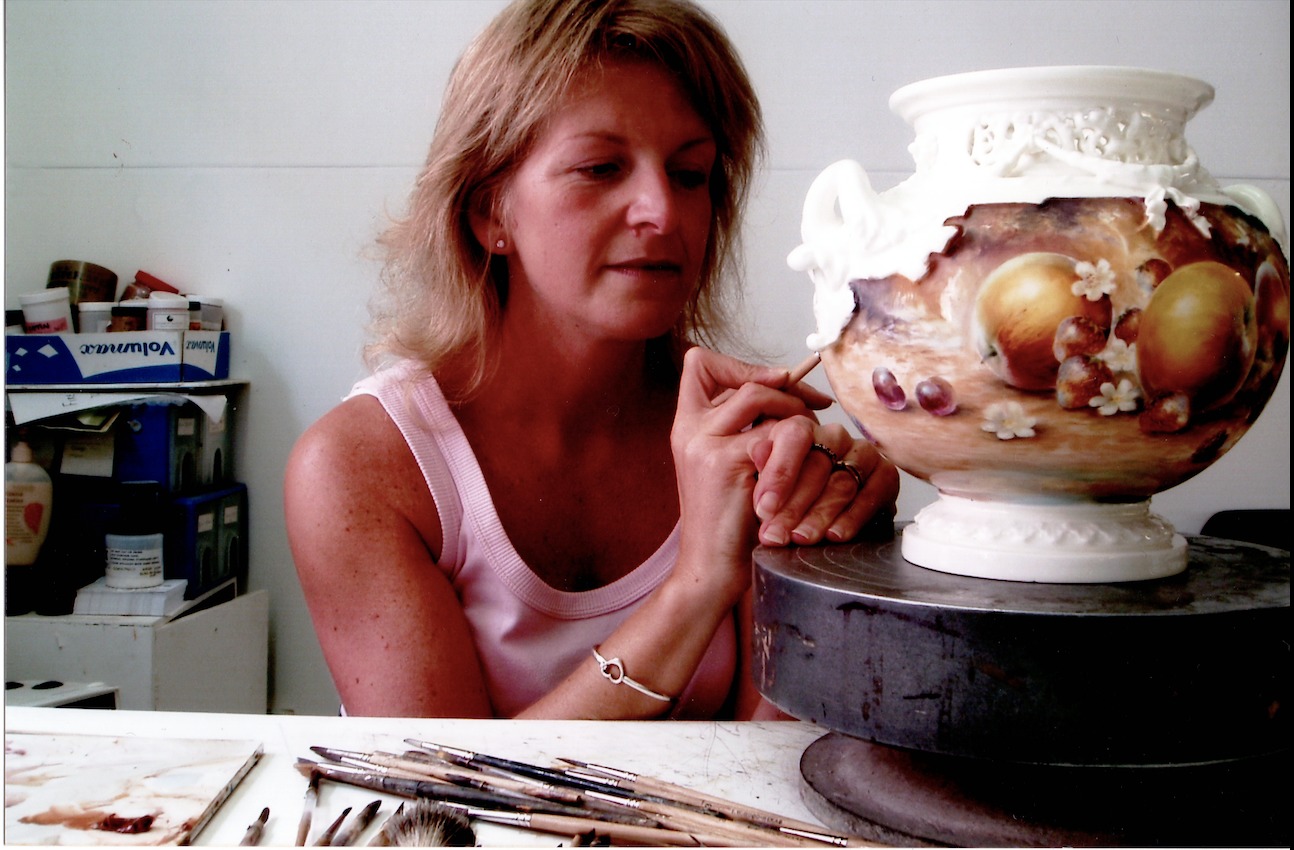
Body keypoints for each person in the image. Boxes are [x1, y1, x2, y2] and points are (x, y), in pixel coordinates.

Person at [285, 0, 898, 720]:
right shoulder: (362, 469)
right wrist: (696, 584)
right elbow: (447, 800)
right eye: (601, 168)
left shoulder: (748, 445)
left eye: (690, 174)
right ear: (491, 214)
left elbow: (767, 772)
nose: (662, 213)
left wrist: (844, 569)